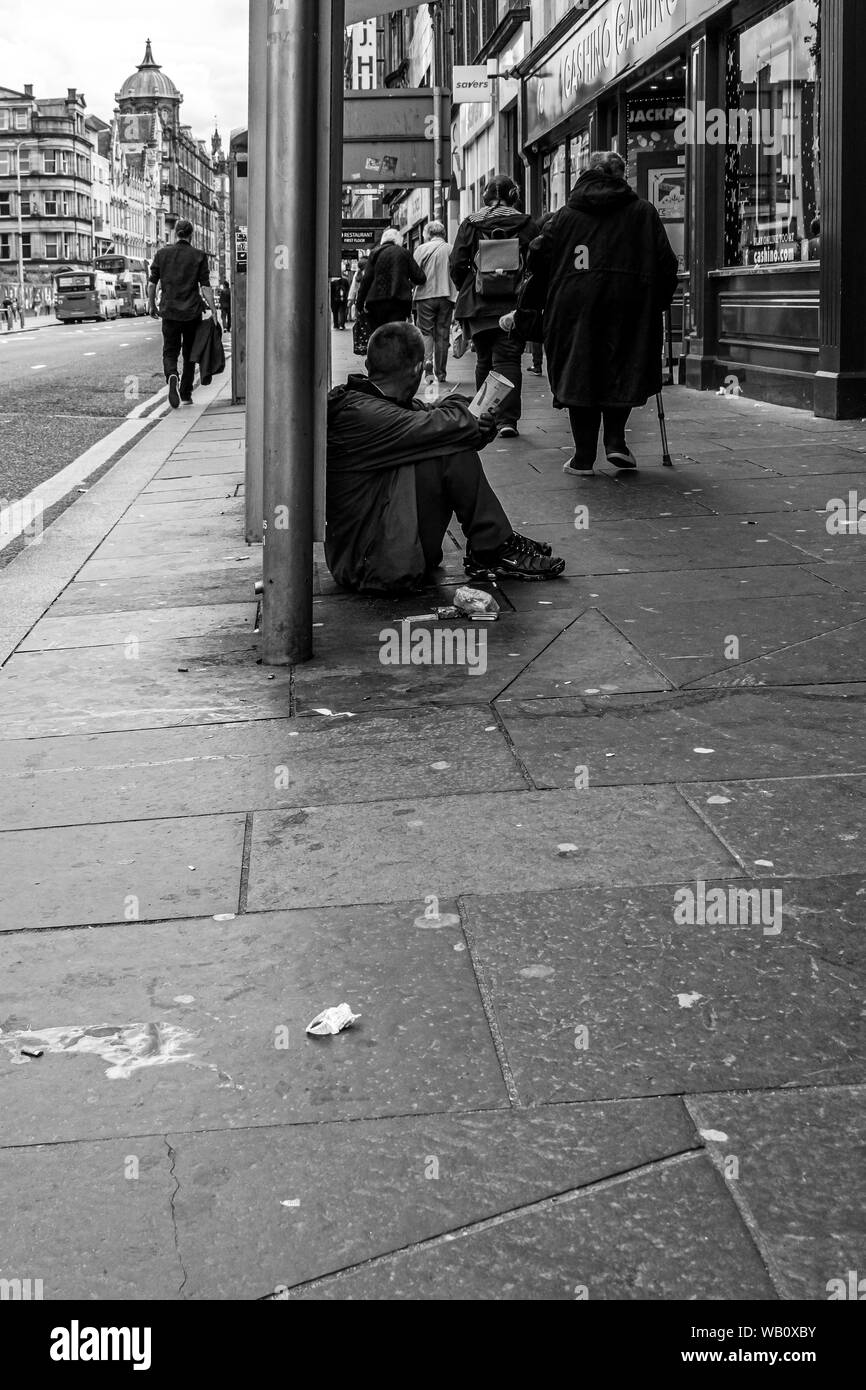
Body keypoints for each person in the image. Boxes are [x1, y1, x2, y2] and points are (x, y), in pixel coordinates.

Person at [326, 322, 565, 593]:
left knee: (445, 440)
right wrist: (469, 417)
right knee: (449, 448)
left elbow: (442, 418)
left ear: (368, 364)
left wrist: (473, 422)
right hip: (366, 564)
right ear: (418, 368)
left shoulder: (379, 404)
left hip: (372, 549)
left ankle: (494, 542)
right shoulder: (362, 414)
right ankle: (492, 546)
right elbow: (446, 423)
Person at [512, 151, 678, 472]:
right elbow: (667, 264)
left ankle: (583, 455)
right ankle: (616, 442)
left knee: (580, 369)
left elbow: (537, 257)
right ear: (620, 177)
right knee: (622, 365)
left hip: (574, 307)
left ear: (589, 174)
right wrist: (656, 300)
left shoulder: (563, 217)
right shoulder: (643, 213)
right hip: (628, 306)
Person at [449, 174, 539, 439]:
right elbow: (538, 261)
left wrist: (469, 284)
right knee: (508, 359)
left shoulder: (472, 223)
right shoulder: (525, 223)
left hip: (478, 305)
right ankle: (507, 420)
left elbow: (457, 263)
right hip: (513, 303)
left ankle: (484, 415)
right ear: (514, 195)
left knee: (484, 359)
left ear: (485, 197)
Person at [147, 219, 216, 408]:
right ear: (191, 234)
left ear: (176, 232)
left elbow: (152, 283)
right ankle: (185, 393)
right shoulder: (199, 255)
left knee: (170, 351)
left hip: (169, 312)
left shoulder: (162, 254)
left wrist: (152, 304)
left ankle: (171, 375)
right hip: (192, 312)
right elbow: (205, 287)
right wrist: (214, 311)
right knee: (189, 354)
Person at [413, 221, 457, 385]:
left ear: (428, 234)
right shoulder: (451, 249)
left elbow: (414, 273)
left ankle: (427, 364)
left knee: (426, 332)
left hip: (425, 296)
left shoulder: (421, 249)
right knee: (442, 334)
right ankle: (441, 372)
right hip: (446, 296)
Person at [356, 228, 425, 333]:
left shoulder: (374, 253)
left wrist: (359, 304)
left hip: (376, 303)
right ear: (398, 240)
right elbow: (420, 277)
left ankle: (380, 349)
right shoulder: (404, 252)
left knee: (379, 335)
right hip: (399, 302)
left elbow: (366, 280)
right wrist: (407, 283)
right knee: (395, 334)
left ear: (383, 240)